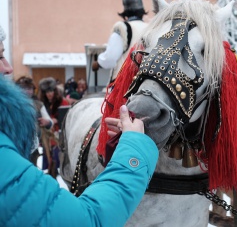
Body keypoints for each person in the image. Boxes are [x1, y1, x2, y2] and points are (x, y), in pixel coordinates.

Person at [0, 74, 159, 226]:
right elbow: (88, 220)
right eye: (1, 56)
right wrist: (135, 148)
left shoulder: (57, 102)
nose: (8, 68)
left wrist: (50, 122)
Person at [92, 0, 148, 83]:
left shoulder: (123, 28)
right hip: (145, 82)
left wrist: (99, 63)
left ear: (125, 12)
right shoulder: (150, 28)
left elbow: (110, 58)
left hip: (125, 84)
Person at [15, 76, 54, 166]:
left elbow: (49, 122)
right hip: (17, 144)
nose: (27, 91)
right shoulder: (13, 104)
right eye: (23, 88)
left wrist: (47, 122)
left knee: (31, 167)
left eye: (29, 88)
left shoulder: (38, 104)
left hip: (33, 145)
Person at [38, 77, 70, 178]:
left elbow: (66, 118)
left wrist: (55, 120)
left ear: (55, 91)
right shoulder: (41, 104)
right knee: (48, 159)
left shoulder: (63, 102)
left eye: (51, 90)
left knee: (57, 159)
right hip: (46, 135)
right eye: (47, 92)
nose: (49, 94)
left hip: (59, 135)